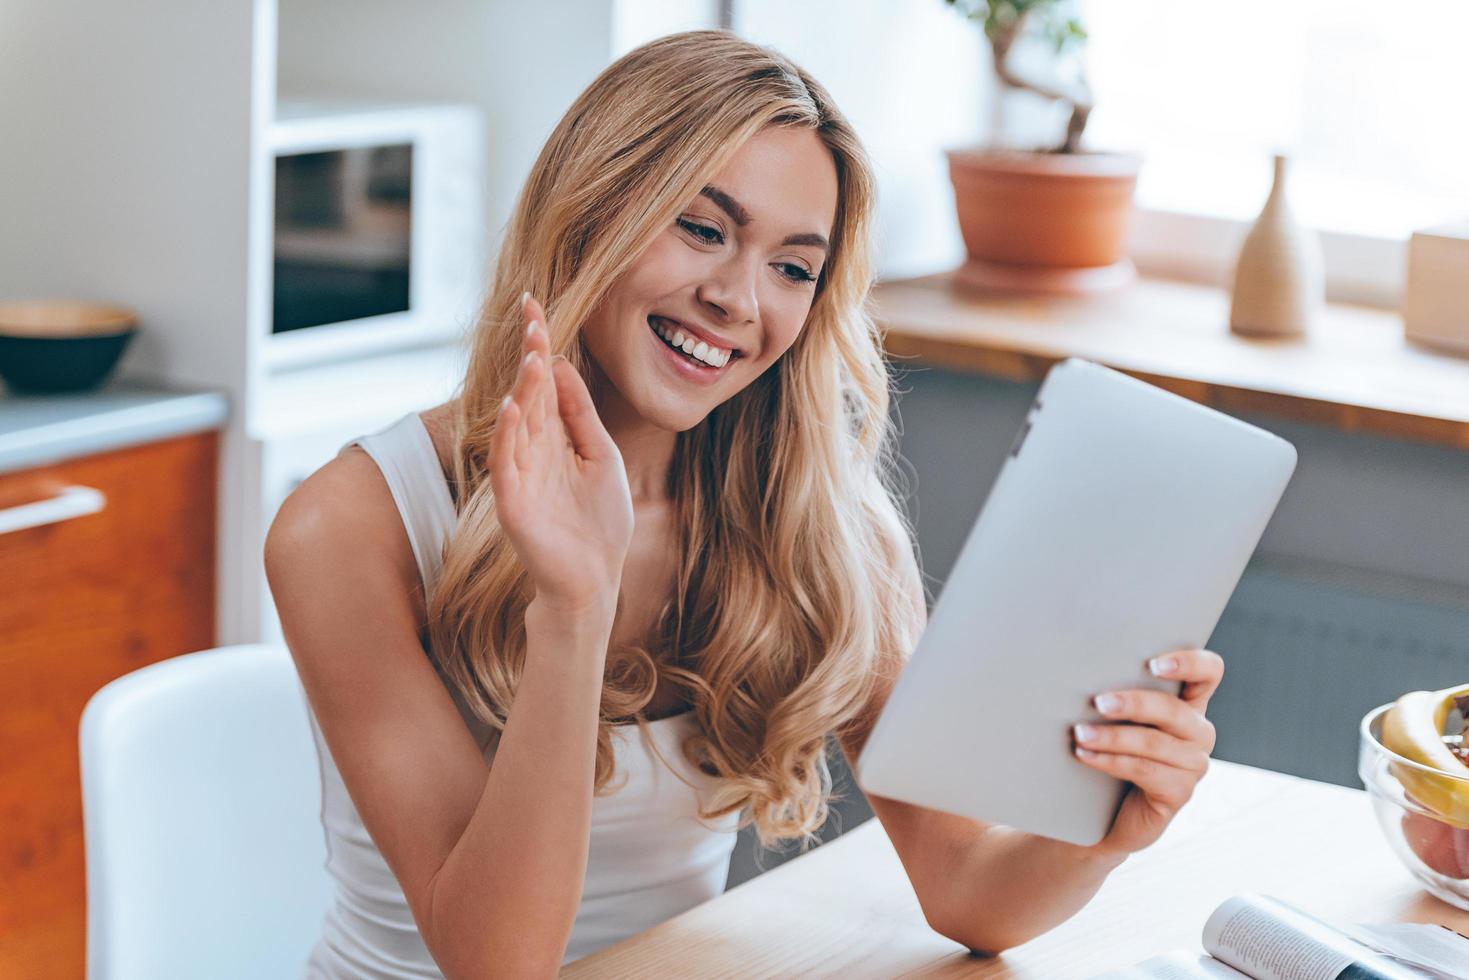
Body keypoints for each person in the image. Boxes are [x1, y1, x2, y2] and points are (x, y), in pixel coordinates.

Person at [265, 28, 1223, 979]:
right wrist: (572, 607)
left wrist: (1100, 832)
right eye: (702, 227)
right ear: (593, 207)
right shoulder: (351, 527)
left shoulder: (825, 533)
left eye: (792, 267)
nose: (736, 298)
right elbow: (496, 964)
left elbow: (963, 888)